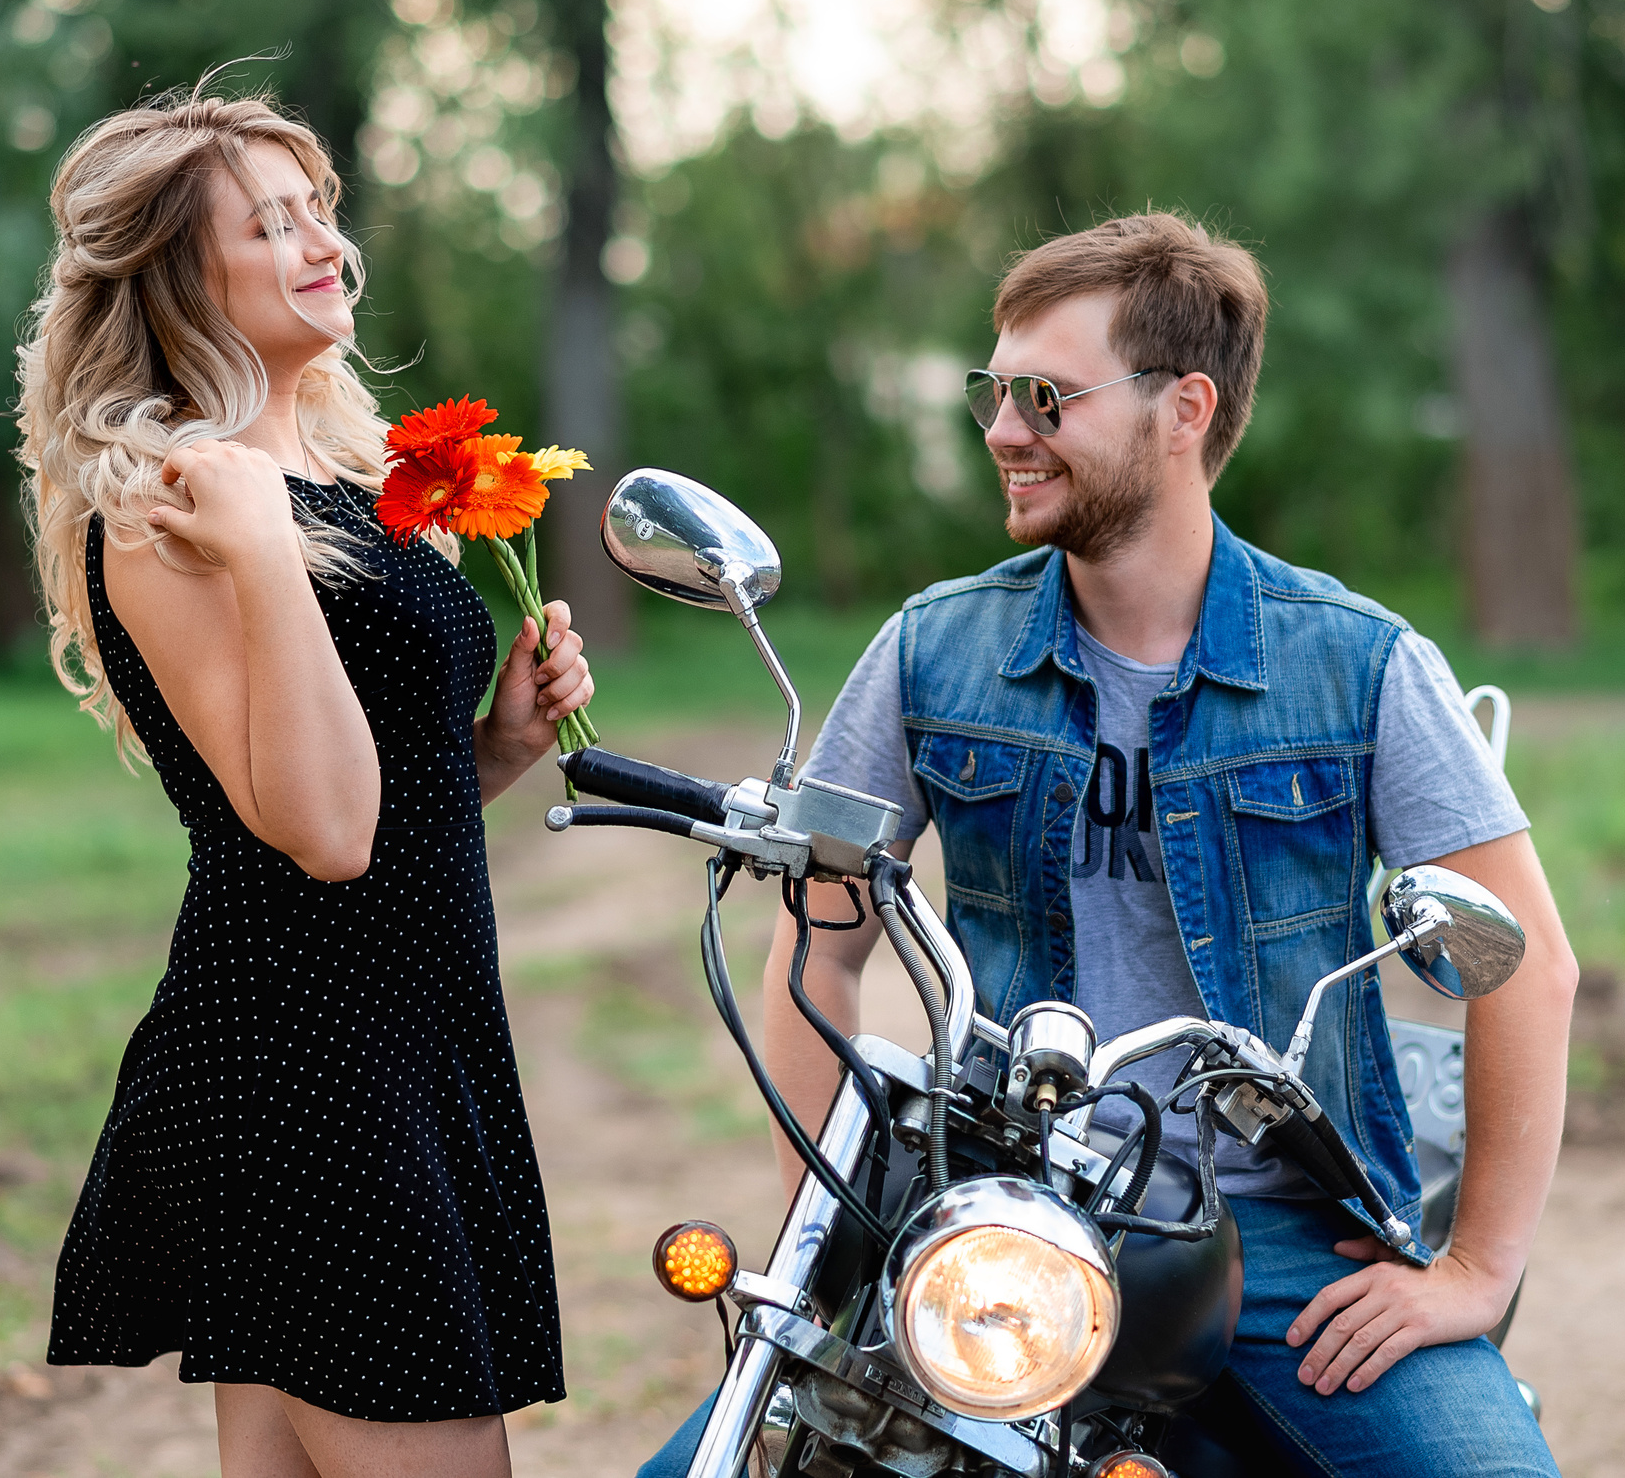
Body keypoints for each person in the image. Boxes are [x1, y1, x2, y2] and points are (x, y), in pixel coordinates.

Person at [642, 212, 1574, 1477]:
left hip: (1272, 1235)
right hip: (993, 1214)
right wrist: (839, 1228)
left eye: (1044, 396)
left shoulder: (1355, 662)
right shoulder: (934, 648)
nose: (1002, 430)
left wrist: (1473, 1266)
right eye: (993, 392)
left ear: (1182, 408)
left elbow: (1527, 964)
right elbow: (819, 955)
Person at [15, 88, 590, 1478]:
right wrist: (267, 553)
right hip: (311, 1066)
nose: (320, 244)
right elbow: (323, 834)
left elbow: (368, 796)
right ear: (175, 279)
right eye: (267, 225)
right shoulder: (171, 506)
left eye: (316, 211)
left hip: (406, 1037)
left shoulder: (346, 473)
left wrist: (496, 745)